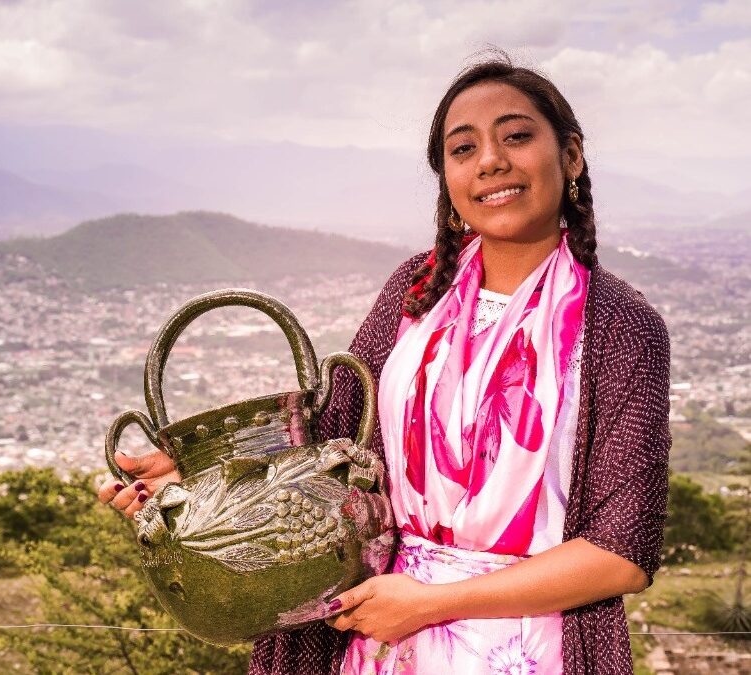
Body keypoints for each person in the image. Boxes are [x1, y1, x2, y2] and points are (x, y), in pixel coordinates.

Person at [98, 54, 672, 675]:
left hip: (525, 648)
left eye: (516, 136)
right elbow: (330, 440)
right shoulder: (415, 292)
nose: (490, 161)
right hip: (377, 638)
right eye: (462, 149)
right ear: (447, 178)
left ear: (572, 155)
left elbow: (621, 555)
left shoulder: (619, 327)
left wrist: (431, 604)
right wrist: (205, 478)